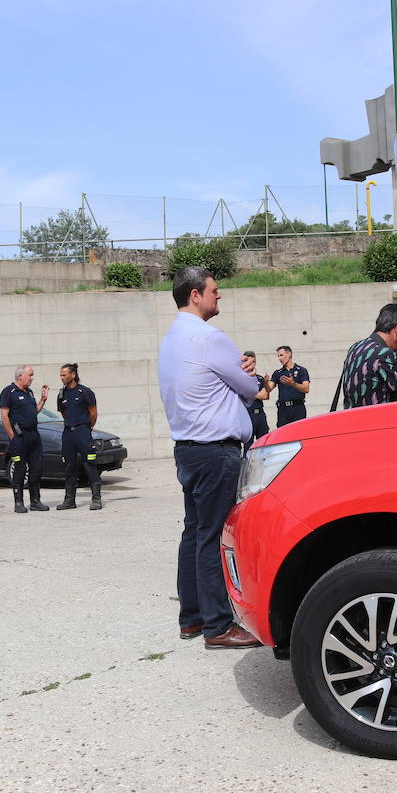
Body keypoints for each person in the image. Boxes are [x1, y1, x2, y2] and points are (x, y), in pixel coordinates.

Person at [157, 265, 262, 650]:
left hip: (188, 450)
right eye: (214, 291)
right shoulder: (209, 338)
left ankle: (193, 617)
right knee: (214, 537)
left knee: (195, 534)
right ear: (195, 295)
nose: (220, 296)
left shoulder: (170, 339)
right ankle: (218, 625)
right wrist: (252, 373)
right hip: (216, 452)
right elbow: (250, 389)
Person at [339, 303, 397, 408]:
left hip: (356, 422)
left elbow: (380, 374)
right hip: (381, 423)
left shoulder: (356, 347)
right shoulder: (384, 354)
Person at [0, 366, 50, 513]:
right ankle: (19, 502)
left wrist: (43, 399)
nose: (32, 378)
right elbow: (4, 415)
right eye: (30, 375)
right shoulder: (9, 391)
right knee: (20, 469)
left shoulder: (29, 392)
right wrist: (12, 436)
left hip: (33, 436)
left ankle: (35, 501)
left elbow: (34, 412)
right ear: (20, 376)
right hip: (19, 437)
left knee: (36, 468)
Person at [55, 363, 102, 511]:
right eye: (61, 375)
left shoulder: (85, 392)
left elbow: (93, 413)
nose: (61, 377)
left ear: (73, 375)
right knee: (69, 466)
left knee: (89, 464)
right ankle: (69, 500)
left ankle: (96, 499)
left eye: (64, 375)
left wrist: (87, 427)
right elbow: (64, 413)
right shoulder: (61, 394)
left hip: (83, 431)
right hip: (68, 433)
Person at [271, 345, 310, 426]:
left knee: (299, 433)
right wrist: (265, 382)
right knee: (283, 435)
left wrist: (293, 383)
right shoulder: (278, 373)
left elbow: (306, 389)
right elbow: (269, 388)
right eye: (278, 356)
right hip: (283, 410)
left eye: (281, 355)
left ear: (289, 354)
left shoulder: (301, 370)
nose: (279, 358)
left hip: (297, 408)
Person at [241, 350, 272, 452]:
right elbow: (241, 394)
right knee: (248, 446)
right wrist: (255, 394)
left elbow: (265, 395)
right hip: (247, 415)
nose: (252, 364)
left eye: (253, 362)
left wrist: (248, 393)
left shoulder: (259, 378)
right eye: (249, 362)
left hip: (260, 415)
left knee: (264, 444)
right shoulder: (240, 378)